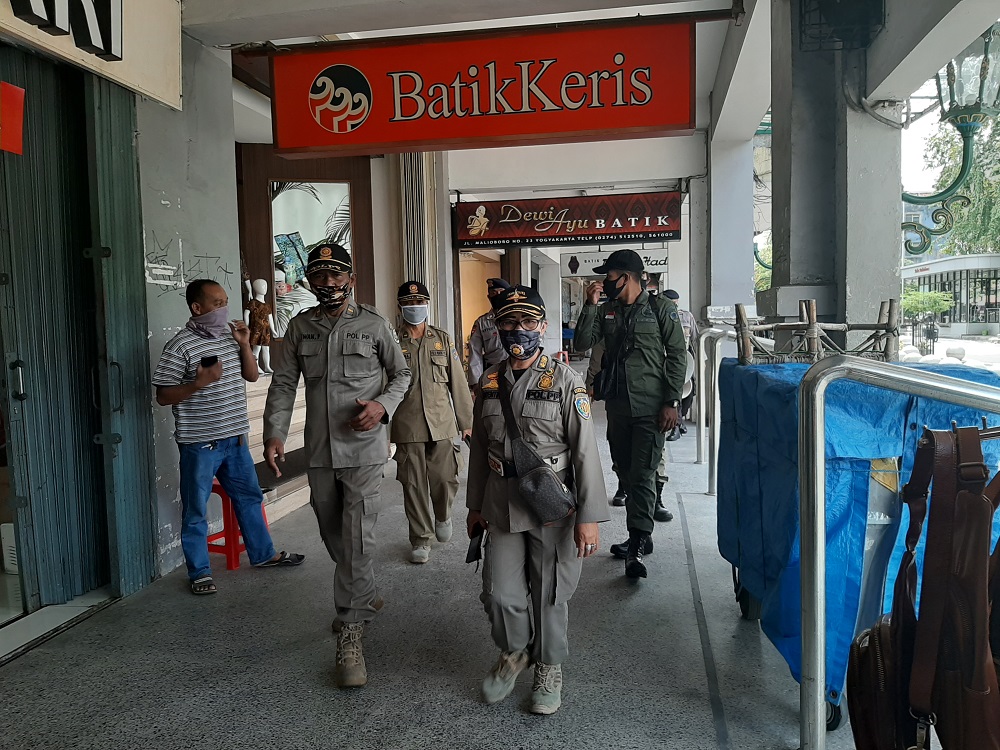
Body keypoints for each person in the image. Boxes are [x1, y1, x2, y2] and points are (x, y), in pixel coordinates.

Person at [263, 243, 410, 689]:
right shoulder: (299, 327)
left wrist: (382, 407)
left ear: (351, 278)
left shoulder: (374, 323)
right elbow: (285, 381)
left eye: (335, 274)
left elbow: (401, 374)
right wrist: (274, 432)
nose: (328, 283)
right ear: (309, 280)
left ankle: (350, 631)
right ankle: (362, 593)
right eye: (319, 275)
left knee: (355, 536)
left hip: (364, 449)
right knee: (332, 532)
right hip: (321, 451)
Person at [467, 284, 608, 716]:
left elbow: (585, 450)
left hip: (551, 505)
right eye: (509, 322)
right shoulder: (489, 381)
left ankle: (548, 666)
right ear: (498, 328)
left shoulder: (566, 380)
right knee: (498, 593)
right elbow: (478, 451)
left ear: (543, 327)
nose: (518, 330)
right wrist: (474, 505)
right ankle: (514, 652)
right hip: (501, 502)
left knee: (549, 593)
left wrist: (589, 516)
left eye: (528, 322)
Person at [152, 279, 305, 596]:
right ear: (197, 308)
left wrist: (245, 344)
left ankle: (264, 554)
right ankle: (200, 571)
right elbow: (164, 396)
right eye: (217, 304)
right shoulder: (179, 346)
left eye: (225, 303)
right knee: (196, 511)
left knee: (250, 498)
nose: (224, 310)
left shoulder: (229, 336)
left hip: (235, 441)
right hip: (200, 445)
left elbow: (251, 375)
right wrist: (198, 384)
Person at [574, 249, 686, 579]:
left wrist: (672, 402)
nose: (605, 282)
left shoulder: (661, 308)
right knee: (624, 471)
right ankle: (641, 533)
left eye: (609, 276)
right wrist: (590, 305)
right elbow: (582, 343)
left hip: (651, 408)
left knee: (642, 474)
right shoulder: (606, 310)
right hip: (618, 408)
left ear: (628, 277)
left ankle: (637, 542)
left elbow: (678, 355)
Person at [391, 280, 474, 564]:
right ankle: (420, 538)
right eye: (409, 304)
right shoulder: (391, 340)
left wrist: (467, 420)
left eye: (420, 303)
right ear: (400, 307)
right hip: (407, 423)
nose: (415, 308)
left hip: (442, 421)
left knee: (445, 478)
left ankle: (443, 514)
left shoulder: (442, 338)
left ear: (428, 305)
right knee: (413, 484)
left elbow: (458, 382)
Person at [585, 339, 627, 507]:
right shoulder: (612, 320)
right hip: (618, 393)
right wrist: (591, 386)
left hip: (652, 397)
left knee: (654, 448)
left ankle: (656, 494)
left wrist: (672, 400)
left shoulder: (660, 316)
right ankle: (623, 485)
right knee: (619, 443)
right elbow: (597, 356)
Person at [467, 278, 511, 394]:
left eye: (501, 292)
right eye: (493, 293)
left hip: (516, 370)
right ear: (488, 297)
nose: (497, 296)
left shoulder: (517, 318)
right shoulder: (482, 322)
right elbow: (474, 352)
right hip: (492, 373)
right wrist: (476, 382)